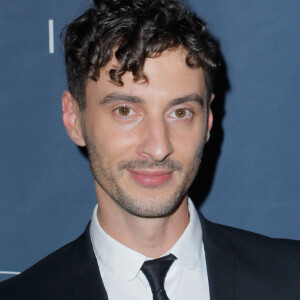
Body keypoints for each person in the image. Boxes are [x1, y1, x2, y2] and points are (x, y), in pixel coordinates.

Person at [0, 0, 299, 299]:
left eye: (180, 113)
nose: (158, 148)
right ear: (74, 119)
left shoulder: (291, 277)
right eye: (125, 111)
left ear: (207, 122)